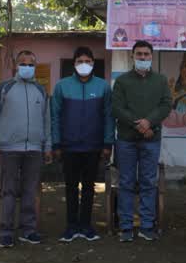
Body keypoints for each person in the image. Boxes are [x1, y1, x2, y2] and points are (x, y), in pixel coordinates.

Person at [0, 50, 52, 248]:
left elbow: (47, 121)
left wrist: (47, 145)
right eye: (23, 63)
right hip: (8, 149)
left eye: (31, 64)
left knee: (30, 191)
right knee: (9, 191)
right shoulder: (3, 88)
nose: (27, 67)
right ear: (15, 66)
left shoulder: (41, 90)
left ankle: (28, 230)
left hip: (34, 149)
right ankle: (6, 232)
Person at [51, 46, 115, 242]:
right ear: (74, 63)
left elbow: (108, 116)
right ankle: (71, 226)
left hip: (93, 146)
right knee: (70, 187)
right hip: (69, 146)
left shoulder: (103, 86)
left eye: (88, 61)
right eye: (80, 61)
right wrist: (56, 144)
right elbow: (55, 117)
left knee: (89, 187)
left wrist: (107, 143)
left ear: (93, 64)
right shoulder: (62, 86)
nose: (84, 65)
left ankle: (86, 226)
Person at [112, 40, 172, 242]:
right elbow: (117, 108)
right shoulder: (122, 82)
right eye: (139, 54)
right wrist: (139, 125)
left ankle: (147, 226)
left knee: (148, 182)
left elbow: (166, 105)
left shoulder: (161, 81)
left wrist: (150, 123)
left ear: (151, 57)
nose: (143, 58)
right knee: (126, 182)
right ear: (132, 56)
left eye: (146, 54)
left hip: (151, 139)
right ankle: (126, 227)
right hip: (127, 140)